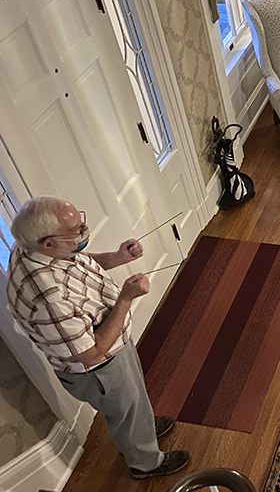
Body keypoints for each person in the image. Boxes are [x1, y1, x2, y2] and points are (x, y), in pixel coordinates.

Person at [5, 197, 190, 479]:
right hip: (99, 367)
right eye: (76, 231)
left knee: (133, 401)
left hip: (110, 344)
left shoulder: (28, 246)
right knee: (124, 410)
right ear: (48, 243)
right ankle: (145, 463)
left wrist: (117, 258)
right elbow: (91, 353)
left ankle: (143, 427)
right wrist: (126, 299)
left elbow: (74, 263)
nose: (85, 229)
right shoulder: (48, 298)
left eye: (80, 221)